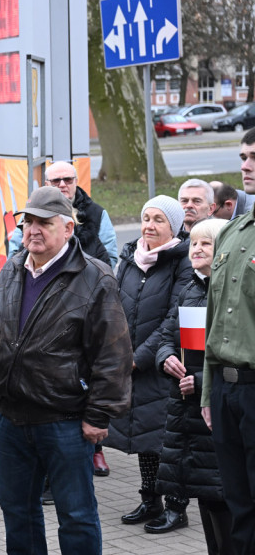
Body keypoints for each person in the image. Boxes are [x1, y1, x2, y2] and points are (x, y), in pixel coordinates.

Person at [0, 186, 132, 555]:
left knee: (77, 515)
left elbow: (113, 353)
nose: (33, 230)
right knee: (18, 508)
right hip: (13, 418)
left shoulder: (95, 277)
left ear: (68, 228)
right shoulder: (12, 269)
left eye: (43, 223)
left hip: (66, 420)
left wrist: (99, 414)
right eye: (27, 222)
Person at [154, 218, 237, 555]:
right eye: (194, 242)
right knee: (203, 495)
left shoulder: (227, 294)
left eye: (208, 242)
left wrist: (201, 378)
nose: (198, 247)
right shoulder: (189, 290)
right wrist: (166, 357)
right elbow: (166, 336)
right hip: (186, 412)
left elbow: (233, 352)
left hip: (213, 408)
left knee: (222, 497)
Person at [194, 127, 255, 555]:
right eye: (243, 156)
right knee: (239, 504)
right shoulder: (235, 230)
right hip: (229, 391)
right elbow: (216, 321)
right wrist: (210, 392)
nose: (248, 163)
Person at [106, 196, 193, 534]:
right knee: (143, 436)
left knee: (167, 439)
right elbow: (113, 307)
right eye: (146, 218)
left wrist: (138, 358)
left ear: (174, 226)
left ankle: (176, 506)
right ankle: (149, 498)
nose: (150, 226)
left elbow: (174, 318)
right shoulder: (129, 258)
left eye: (159, 220)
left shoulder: (182, 261)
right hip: (130, 362)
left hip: (161, 364)